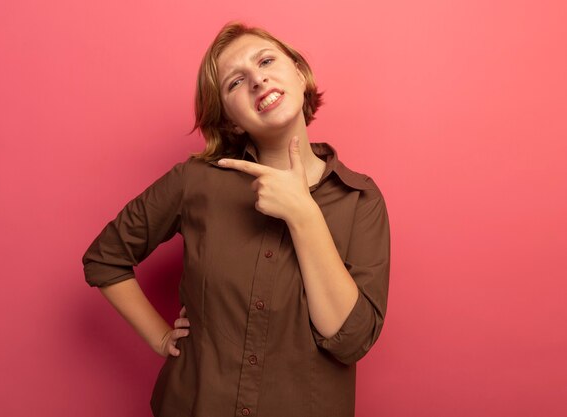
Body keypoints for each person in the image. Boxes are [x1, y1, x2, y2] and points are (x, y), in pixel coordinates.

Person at [82, 21, 390, 417]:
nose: (258, 80)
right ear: (229, 120)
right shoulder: (194, 181)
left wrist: (304, 214)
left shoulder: (359, 199)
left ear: (297, 71)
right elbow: (104, 258)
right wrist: (160, 339)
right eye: (235, 82)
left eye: (266, 61)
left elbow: (350, 341)